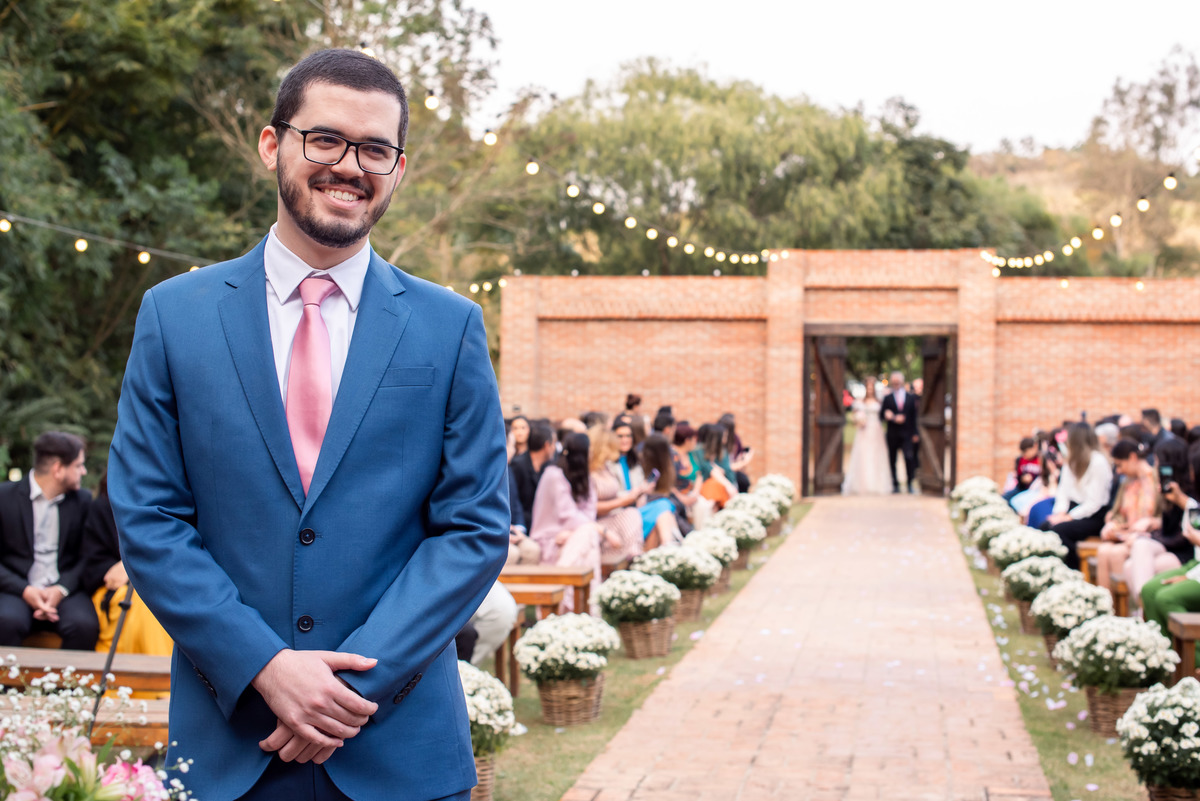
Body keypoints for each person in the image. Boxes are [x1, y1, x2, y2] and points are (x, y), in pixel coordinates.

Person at [108, 50, 509, 801]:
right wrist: (264, 666)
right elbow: (149, 517)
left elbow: (474, 529)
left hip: (399, 752)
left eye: (375, 149)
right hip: (233, 747)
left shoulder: (451, 326)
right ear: (273, 144)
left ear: (398, 169)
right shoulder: (174, 316)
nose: (349, 166)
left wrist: (347, 689)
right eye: (324, 139)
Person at [0, 431, 99, 650]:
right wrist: (25, 590)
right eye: (78, 465)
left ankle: (68, 676)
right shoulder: (4, 497)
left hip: (64, 588)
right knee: (6, 622)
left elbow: (88, 556)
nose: (83, 471)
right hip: (16, 588)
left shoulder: (82, 501)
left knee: (84, 626)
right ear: (58, 469)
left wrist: (61, 588)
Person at [81, 475, 173, 656]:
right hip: (116, 591)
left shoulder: (164, 507)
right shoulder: (103, 507)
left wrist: (132, 565)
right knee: (147, 606)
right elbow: (93, 566)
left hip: (161, 584)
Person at [528, 433, 610, 613]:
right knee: (589, 535)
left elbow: (589, 512)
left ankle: (569, 600)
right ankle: (587, 608)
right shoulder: (553, 475)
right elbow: (568, 514)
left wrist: (575, 533)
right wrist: (601, 529)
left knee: (587, 537)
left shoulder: (586, 477)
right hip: (550, 540)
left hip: (574, 537)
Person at [1125, 438, 1196, 604]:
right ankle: (1144, 610)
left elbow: (1187, 533)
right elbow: (1167, 528)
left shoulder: (1190, 491)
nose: (1155, 466)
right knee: (1138, 548)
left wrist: (1181, 500)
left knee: (1131, 566)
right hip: (1169, 546)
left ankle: (1144, 610)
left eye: (1157, 461)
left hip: (1186, 553)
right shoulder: (1165, 487)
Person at [1043, 423, 1115, 569]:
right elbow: (1063, 491)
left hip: (1094, 515)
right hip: (1074, 510)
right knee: (1045, 526)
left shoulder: (1098, 462)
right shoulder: (1071, 460)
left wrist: (1069, 517)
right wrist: (1060, 513)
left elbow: (1094, 502)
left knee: (1059, 531)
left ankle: (1074, 571)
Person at [1094, 440, 1160, 594]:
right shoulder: (1127, 483)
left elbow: (1164, 516)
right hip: (1125, 535)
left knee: (1116, 554)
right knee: (1103, 551)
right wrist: (1112, 524)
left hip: (1148, 536)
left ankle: (1126, 606)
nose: (1118, 471)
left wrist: (1150, 522)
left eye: (1120, 465)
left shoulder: (1156, 480)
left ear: (1132, 457)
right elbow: (1118, 514)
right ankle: (1106, 605)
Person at [588, 427, 646, 569]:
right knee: (631, 516)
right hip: (596, 521)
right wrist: (622, 501)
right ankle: (634, 561)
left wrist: (633, 495)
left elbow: (614, 495)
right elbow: (590, 506)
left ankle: (634, 557)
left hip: (614, 515)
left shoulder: (605, 468)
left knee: (633, 514)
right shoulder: (589, 472)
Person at [638, 434, 693, 549]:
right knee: (666, 506)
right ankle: (670, 546)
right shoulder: (640, 468)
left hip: (663, 505)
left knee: (668, 506)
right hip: (650, 507)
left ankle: (670, 546)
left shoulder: (668, 468)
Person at [842, 376, 893, 496]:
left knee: (876, 455)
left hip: (876, 430)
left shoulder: (879, 401)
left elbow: (883, 415)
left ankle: (878, 484)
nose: (870, 390)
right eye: (868, 388)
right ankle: (862, 484)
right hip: (864, 431)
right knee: (863, 455)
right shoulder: (860, 402)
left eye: (871, 388)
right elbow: (854, 415)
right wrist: (859, 420)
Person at [879, 372, 920, 494]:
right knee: (893, 459)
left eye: (898, 381)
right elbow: (881, 415)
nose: (896, 383)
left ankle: (909, 483)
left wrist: (915, 433)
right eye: (894, 382)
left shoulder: (910, 397)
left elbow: (914, 417)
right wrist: (890, 417)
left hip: (907, 434)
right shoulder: (887, 398)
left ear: (902, 382)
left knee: (908, 458)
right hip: (892, 434)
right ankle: (895, 484)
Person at [510, 421, 554, 530]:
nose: (554, 448)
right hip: (523, 525)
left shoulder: (548, 467)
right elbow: (514, 501)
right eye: (553, 443)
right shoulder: (518, 465)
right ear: (547, 445)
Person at [692, 423, 738, 510]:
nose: (726, 439)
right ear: (718, 437)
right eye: (724, 436)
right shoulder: (699, 451)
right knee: (713, 485)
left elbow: (726, 470)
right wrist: (729, 486)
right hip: (705, 486)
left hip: (723, 485)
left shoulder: (722, 452)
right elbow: (710, 470)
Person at [718, 413, 753, 493]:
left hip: (732, 471)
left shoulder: (734, 439)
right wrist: (744, 462)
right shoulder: (720, 447)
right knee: (743, 481)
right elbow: (726, 468)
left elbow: (739, 452)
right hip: (727, 474)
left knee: (744, 480)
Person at [609, 418, 646, 491]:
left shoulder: (636, 460)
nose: (625, 440)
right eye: (620, 436)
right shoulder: (608, 463)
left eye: (628, 436)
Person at [1003, 437, 1042, 503]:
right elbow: (1018, 476)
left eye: (1026, 451)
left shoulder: (1041, 459)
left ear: (1033, 448)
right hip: (1022, 488)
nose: (1024, 454)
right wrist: (1023, 479)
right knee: (1005, 498)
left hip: (1036, 490)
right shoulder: (1020, 460)